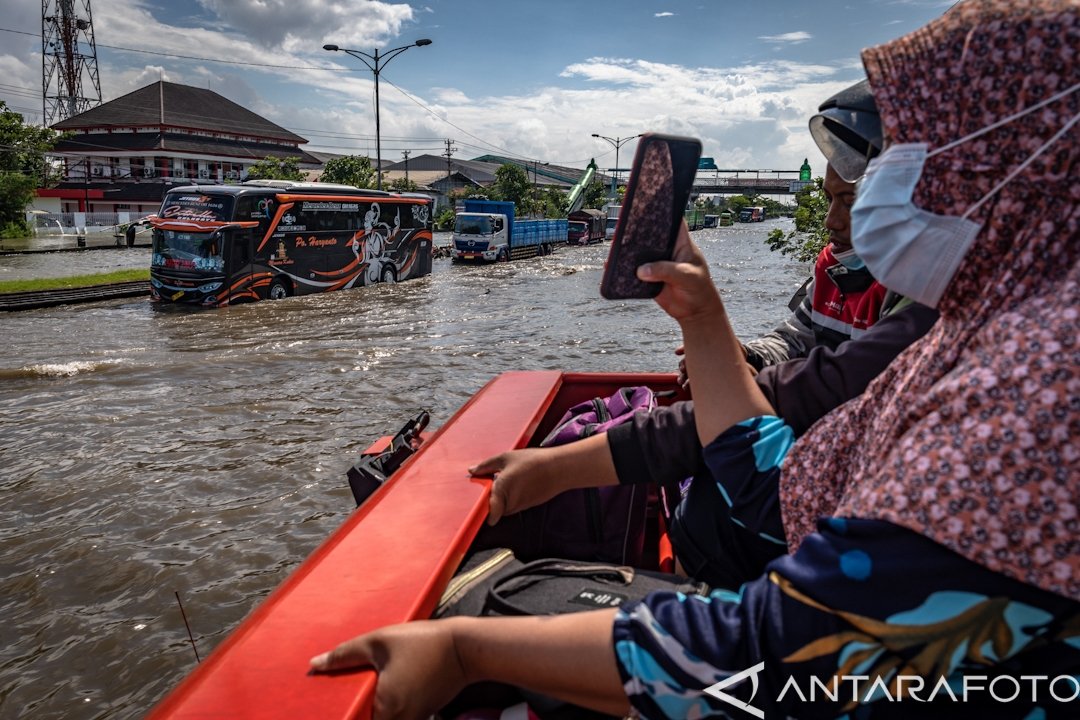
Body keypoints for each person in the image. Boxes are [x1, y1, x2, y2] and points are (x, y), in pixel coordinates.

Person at [311, 2, 1079, 718]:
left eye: (910, 154)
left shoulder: (1037, 386)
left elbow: (783, 659)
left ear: (1016, 171)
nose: (874, 191)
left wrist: (463, 651)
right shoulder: (988, 326)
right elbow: (776, 488)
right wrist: (704, 317)